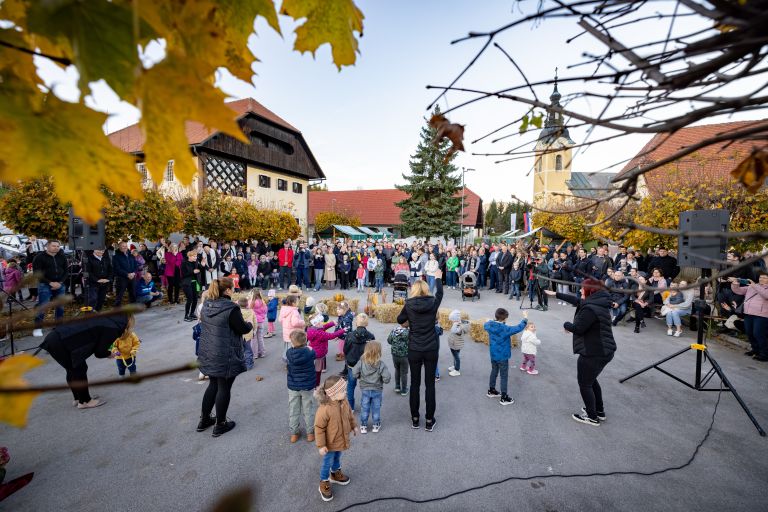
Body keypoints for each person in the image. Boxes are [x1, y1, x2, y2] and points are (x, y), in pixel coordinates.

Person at [547, 278, 617, 426]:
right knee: (591, 380)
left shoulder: (590, 309)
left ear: (589, 291)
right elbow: (577, 300)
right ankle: (599, 411)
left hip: (594, 352)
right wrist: (556, 294)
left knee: (585, 384)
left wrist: (566, 324)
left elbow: (578, 328)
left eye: (582, 288)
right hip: (604, 350)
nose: (579, 290)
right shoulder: (598, 301)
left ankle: (592, 417)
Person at [196, 277, 253, 437]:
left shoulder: (206, 304)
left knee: (213, 384)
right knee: (223, 387)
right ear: (227, 290)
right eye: (233, 288)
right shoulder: (231, 308)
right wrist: (248, 323)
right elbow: (242, 329)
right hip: (225, 354)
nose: (234, 289)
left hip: (209, 352)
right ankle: (220, 423)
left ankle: (205, 419)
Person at [40, 313, 130, 409]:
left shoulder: (104, 319)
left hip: (55, 338)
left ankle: (78, 398)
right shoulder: (113, 328)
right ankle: (85, 401)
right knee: (79, 369)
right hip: (61, 341)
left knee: (72, 369)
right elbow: (99, 352)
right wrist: (109, 354)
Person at [396, 270, 444, 432]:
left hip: (414, 348)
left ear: (414, 291)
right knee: (430, 385)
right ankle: (429, 420)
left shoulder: (409, 304)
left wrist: (411, 321)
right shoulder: (432, 302)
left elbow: (399, 320)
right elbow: (440, 293)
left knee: (414, 384)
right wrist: (438, 278)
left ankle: (415, 418)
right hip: (431, 347)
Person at [314, 375, 357, 503]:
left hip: (341, 439)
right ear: (332, 393)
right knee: (327, 462)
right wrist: (321, 445)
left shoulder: (344, 401)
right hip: (329, 443)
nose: (345, 392)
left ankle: (335, 474)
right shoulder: (324, 409)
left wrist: (354, 426)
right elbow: (319, 428)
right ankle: (324, 481)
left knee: (338, 457)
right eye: (343, 391)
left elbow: (350, 415)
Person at [484, 308, 528, 405]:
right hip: (503, 356)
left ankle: (491, 390)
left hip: (493, 354)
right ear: (505, 319)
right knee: (504, 376)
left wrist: (490, 320)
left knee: (494, 371)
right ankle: (504, 397)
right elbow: (519, 327)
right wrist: (525, 318)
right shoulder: (505, 329)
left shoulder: (489, 325)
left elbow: (486, 323)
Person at [32, 240, 69, 337]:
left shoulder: (62, 256)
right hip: (45, 284)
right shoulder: (39, 257)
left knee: (60, 306)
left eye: (58, 246)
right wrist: (50, 283)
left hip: (60, 284)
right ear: (47, 246)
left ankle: (58, 325)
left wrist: (60, 282)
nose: (56, 247)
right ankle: (38, 327)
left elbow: (66, 271)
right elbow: (37, 273)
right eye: (54, 246)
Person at [352, 341, 391, 434]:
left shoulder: (361, 362)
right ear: (379, 352)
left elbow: (354, 373)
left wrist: (359, 377)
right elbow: (387, 379)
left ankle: (363, 426)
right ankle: (376, 425)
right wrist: (383, 379)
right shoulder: (381, 364)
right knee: (376, 407)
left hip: (365, 389)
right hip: (377, 389)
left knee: (364, 407)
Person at [287, 330, 317, 443]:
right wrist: (309, 348)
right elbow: (315, 354)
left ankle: (294, 433)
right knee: (308, 409)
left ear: (292, 342)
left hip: (293, 386)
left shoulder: (289, 353)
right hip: (307, 386)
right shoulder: (310, 352)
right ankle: (310, 433)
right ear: (305, 341)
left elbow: (289, 352)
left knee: (294, 409)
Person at [730, 272, 768, 361]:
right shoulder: (752, 286)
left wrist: (755, 286)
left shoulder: (756, 286)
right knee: (749, 333)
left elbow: (766, 295)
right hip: (748, 313)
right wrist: (735, 284)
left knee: (758, 334)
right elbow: (738, 291)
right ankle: (755, 350)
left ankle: (765, 354)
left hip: (762, 315)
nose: (761, 279)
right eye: (761, 277)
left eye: (765, 278)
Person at [343, 313, 375, 410]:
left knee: (351, 386)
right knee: (366, 386)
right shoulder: (371, 336)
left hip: (352, 364)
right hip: (365, 365)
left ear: (356, 323)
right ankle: (365, 406)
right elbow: (372, 351)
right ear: (367, 324)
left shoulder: (349, 335)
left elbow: (345, 349)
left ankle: (351, 407)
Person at [308, 314, 346, 386]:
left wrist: (332, 323)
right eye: (322, 322)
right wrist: (342, 331)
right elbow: (331, 336)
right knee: (317, 371)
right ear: (317, 323)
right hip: (319, 354)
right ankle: (316, 385)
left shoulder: (312, 329)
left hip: (313, 352)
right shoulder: (320, 333)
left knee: (313, 369)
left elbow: (324, 327)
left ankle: (314, 382)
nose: (323, 323)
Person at [280, 294, 305, 365]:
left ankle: (286, 359)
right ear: (293, 303)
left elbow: (280, 320)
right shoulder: (294, 311)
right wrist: (303, 322)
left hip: (286, 333)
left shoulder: (284, 309)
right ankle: (291, 363)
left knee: (287, 348)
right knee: (293, 349)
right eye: (297, 301)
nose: (298, 303)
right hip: (293, 333)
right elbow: (295, 323)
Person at [85, 247, 113, 312]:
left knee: (101, 299)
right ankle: (89, 315)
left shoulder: (106, 259)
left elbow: (111, 270)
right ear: (94, 249)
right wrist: (97, 280)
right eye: (99, 250)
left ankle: (97, 313)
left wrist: (108, 279)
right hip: (93, 283)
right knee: (93, 299)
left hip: (104, 283)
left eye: (102, 250)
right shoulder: (89, 259)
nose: (101, 252)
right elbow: (88, 272)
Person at [112, 241, 138, 307]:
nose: (125, 247)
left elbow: (136, 266)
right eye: (123, 246)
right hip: (121, 278)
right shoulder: (115, 257)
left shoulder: (131, 255)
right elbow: (117, 268)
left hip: (132, 277)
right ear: (119, 247)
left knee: (133, 293)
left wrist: (133, 273)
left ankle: (133, 307)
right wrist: (127, 274)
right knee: (119, 295)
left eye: (126, 246)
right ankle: (117, 309)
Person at [387, 325, 409, 396]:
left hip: (395, 354)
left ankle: (397, 386)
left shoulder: (394, 330)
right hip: (404, 356)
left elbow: (389, 340)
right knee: (404, 373)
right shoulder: (408, 332)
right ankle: (404, 390)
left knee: (397, 369)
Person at [181, 249, 203, 322]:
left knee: (195, 299)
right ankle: (186, 316)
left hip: (195, 283)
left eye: (196, 256)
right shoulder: (184, 263)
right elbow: (184, 274)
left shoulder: (196, 262)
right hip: (187, 283)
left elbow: (201, 269)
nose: (195, 257)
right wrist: (193, 271)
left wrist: (202, 265)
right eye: (194, 256)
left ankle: (192, 313)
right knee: (190, 299)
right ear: (189, 256)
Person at [447, 309, 467, 377]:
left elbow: (453, 331)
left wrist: (455, 323)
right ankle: (455, 366)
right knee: (455, 356)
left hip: (456, 344)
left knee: (456, 357)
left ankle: (457, 370)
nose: (452, 321)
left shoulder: (458, 325)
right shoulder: (457, 323)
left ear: (455, 319)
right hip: (455, 344)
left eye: (452, 320)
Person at [238, 297, 256, 370]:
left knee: (240, 350)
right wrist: (254, 330)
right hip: (248, 334)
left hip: (239, 334)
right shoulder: (251, 312)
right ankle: (249, 365)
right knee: (248, 350)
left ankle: (241, 364)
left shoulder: (237, 312)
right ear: (247, 304)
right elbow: (255, 322)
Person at [249, 290, 268, 358]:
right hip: (261, 321)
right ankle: (262, 352)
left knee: (254, 339)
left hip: (254, 322)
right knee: (260, 337)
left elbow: (249, 310)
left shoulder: (252, 302)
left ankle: (255, 354)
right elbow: (265, 311)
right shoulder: (262, 302)